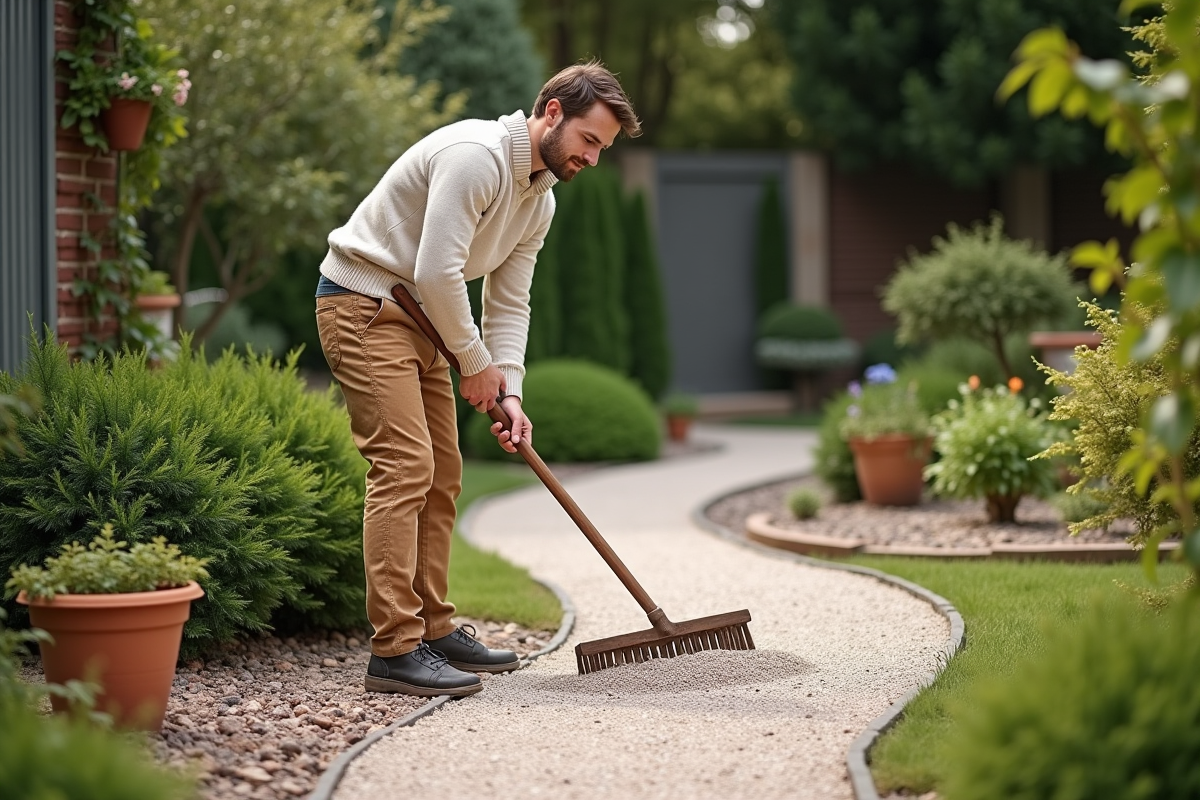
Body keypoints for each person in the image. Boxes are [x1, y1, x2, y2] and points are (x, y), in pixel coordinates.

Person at [314, 61, 641, 697]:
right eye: (589, 141)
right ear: (552, 112)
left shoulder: (538, 199)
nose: (594, 159)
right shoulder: (476, 157)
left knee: (443, 472)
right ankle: (394, 649)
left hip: (425, 319)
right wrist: (474, 362)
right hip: (365, 304)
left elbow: (509, 303)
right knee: (405, 466)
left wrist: (507, 388)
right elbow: (439, 271)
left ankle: (434, 630)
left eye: (603, 148)